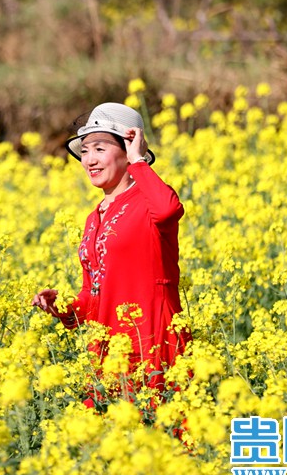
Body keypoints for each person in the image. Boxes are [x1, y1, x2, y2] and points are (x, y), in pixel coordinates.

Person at [32, 102, 190, 390]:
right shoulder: (94, 217)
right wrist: (62, 306)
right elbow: (94, 297)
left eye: (100, 149)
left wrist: (138, 161)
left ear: (129, 150)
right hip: (109, 352)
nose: (89, 160)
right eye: (85, 151)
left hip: (153, 344)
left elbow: (168, 210)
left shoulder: (148, 202)